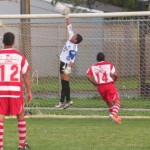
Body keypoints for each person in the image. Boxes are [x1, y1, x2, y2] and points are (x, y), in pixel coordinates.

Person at [0, 32, 32, 150]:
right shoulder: (19, 56)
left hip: (1, 91)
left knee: (0, 118)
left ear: (3, 41)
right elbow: (26, 76)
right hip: (15, 91)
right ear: (13, 42)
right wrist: (29, 91)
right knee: (20, 116)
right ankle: (22, 145)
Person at [55, 15, 83, 109]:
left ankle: (64, 101)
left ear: (76, 41)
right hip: (62, 62)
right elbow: (69, 25)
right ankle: (67, 101)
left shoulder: (73, 48)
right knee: (64, 83)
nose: (73, 35)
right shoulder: (71, 37)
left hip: (66, 64)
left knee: (65, 83)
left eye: (74, 36)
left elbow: (72, 61)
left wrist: (68, 68)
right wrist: (67, 16)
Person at [86, 52, 121, 124]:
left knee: (109, 102)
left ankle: (114, 117)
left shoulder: (93, 67)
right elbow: (115, 74)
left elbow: (88, 76)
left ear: (96, 59)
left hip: (100, 87)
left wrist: (94, 83)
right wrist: (115, 79)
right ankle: (114, 114)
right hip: (109, 85)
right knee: (117, 101)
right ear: (104, 58)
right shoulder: (109, 64)